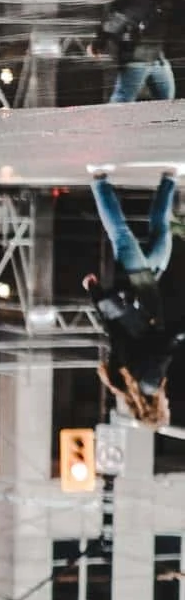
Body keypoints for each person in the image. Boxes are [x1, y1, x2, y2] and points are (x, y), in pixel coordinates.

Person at [85, 166, 185, 426]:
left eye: (167, 408)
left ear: (157, 408)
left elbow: (165, 345)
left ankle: (99, 180)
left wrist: (180, 334)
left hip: (140, 290)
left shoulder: (150, 382)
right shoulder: (122, 379)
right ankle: (169, 178)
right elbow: (114, 331)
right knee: (161, 233)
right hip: (144, 289)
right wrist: (96, 294)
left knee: (121, 234)